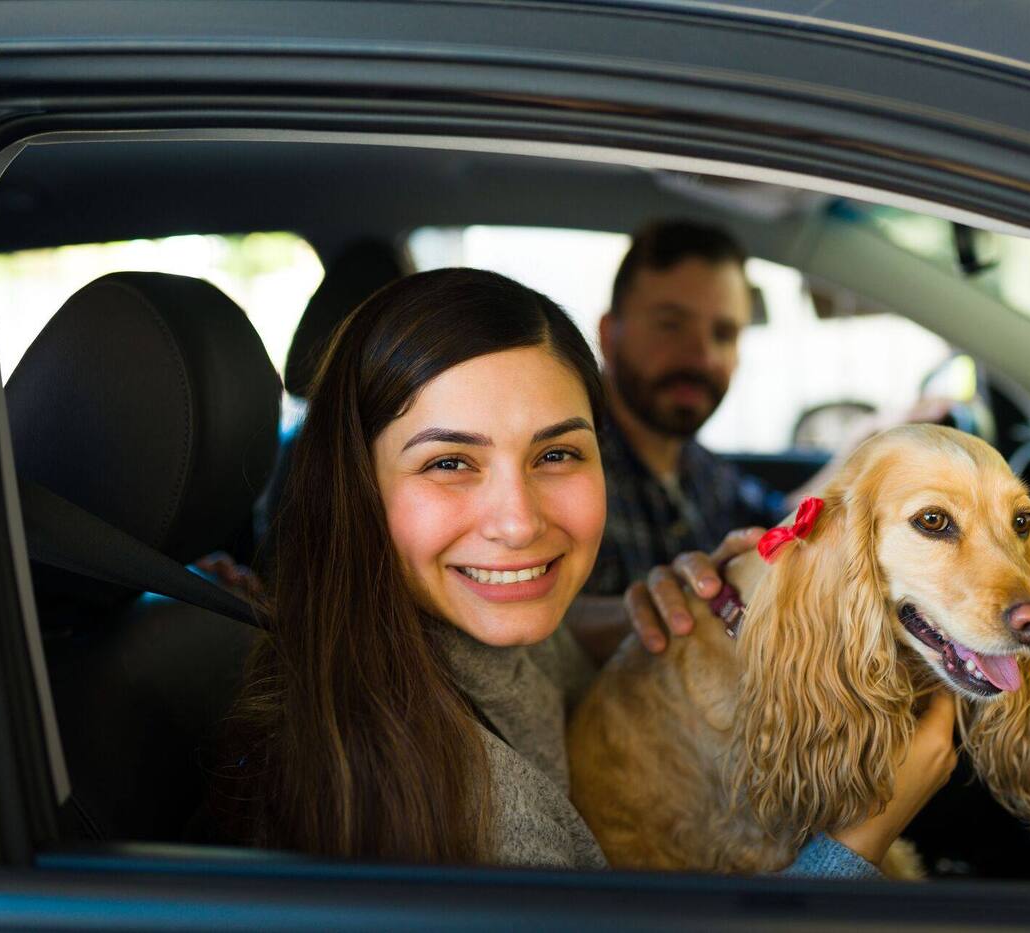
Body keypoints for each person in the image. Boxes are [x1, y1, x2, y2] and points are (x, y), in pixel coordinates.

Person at [211, 266, 955, 875]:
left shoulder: (447, 636)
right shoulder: (483, 816)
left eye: (557, 453)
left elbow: (554, 657)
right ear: (357, 488)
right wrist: (860, 840)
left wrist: (646, 613)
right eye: (449, 462)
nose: (520, 520)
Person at [588, 219, 946, 651]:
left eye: (723, 334)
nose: (701, 355)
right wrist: (665, 609)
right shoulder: (567, 465)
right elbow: (533, 620)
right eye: (671, 325)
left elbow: (781, 521)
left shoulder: (697, 466)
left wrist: (863, 454)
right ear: (609, 336)